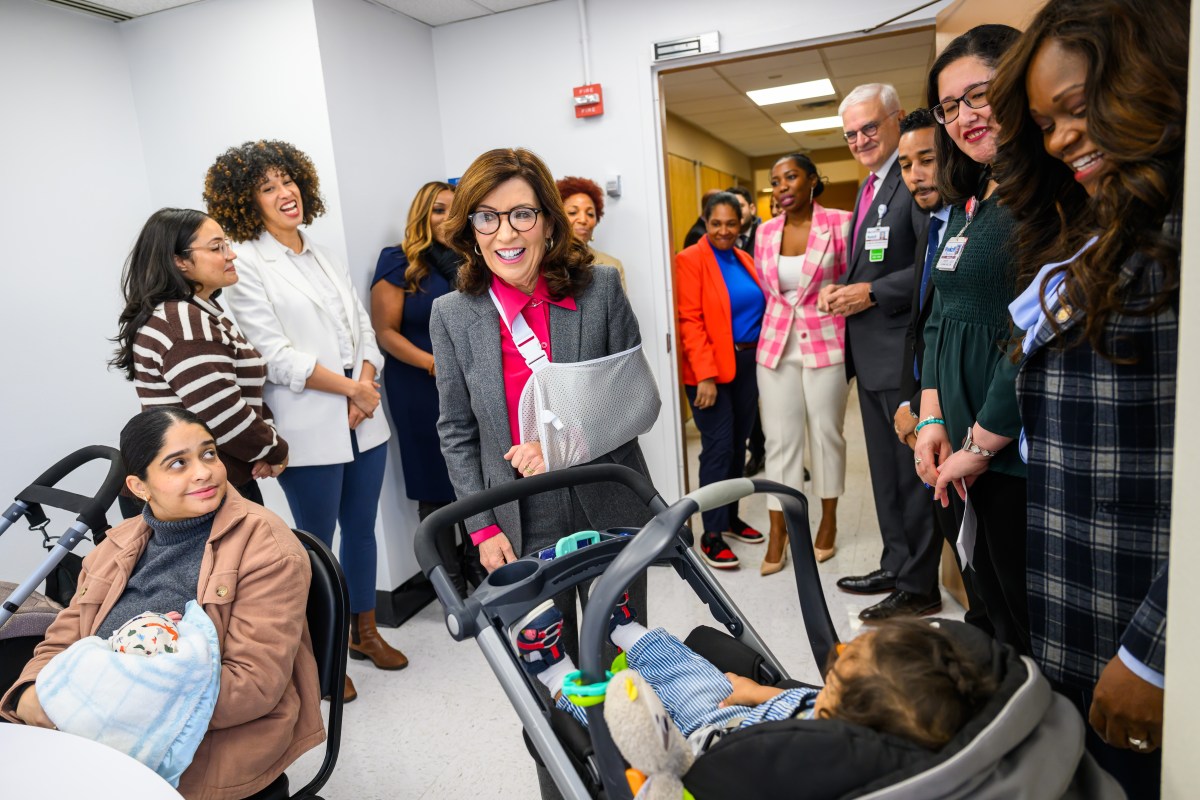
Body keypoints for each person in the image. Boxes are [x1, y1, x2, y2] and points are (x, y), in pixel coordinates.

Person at [990, 0, 1185, 793]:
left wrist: (1156, 652)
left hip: (1144, 626)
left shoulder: (1179, 239)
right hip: (1079, 601)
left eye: (1077, 109)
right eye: (1045, 123)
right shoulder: (1102, 229)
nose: (1063, 138)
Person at [431, 147, 654, 800]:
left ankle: (636, 783)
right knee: (546, 680)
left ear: (550, 223)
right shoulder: (454, 315)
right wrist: (478, 527)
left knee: (624, 666)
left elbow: (635, 402)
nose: (506, 233)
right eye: (487, 218)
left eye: (522, 214)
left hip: (608, 506)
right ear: (470, 230)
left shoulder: (599, 291)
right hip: (516, 526)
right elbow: (456, 430)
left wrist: (566, 442)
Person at [1, 408, 323, 800]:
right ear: (139, 487)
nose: (204, 471)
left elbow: (255, 685)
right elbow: (60, 642)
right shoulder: (116, 545)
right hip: (94, 731)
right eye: (178, 463)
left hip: (202, 749)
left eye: (208, 454)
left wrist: (102, 711)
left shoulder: (266, 548)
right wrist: (28, 693)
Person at [205, 140, 405, 704]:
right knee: (316, 544)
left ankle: (365, 632)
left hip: (361, 412)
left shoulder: (323, 254)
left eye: (287, 180)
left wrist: (364, 386)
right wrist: (351, 389)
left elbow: (364, 329)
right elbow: (273, 354)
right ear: (248, 203)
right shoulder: (245, 265)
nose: (283, 192)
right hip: (310, 418)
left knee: (361, 530)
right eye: (266, 187)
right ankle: (326, 651)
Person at [515, 599, 995, 752]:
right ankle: (630, 634)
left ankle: (557, 675)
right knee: (694, 671)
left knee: (626, 715)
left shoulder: (818, 754)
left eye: (850, 658)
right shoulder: (852, 716)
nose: (842, 649)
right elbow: (808, 699)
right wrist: (758, 691)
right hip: (747, 708)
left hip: (702, 741)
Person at [912, 26, 1029, 654]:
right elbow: (939, 315)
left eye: (978, 95)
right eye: (949, 106)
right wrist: (931, 416)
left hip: (1006, 449)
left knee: (1022, 610)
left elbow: (1029, 334)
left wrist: (982, 445)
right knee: (984, 598)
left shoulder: (1040, 198)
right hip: (953, 444)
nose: (964, 116)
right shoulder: (968, 202)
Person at [819, 84, 939, 615]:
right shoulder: (872, 186)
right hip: (869, 353)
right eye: (851, 134)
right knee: (885, 471)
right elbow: (874, 261)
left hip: (898, 350)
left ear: (894, 119)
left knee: (909, 472)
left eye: (870, 127)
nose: (861, 139)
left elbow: (929, 265)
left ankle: (918, 586)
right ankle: (896, 563)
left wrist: (871, 291)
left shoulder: (911, 178)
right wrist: (845, 287)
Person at [888, 110, 994, 631]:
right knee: (963, 545)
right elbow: (926, 324)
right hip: (935, 413)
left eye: (927, 159)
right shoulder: (938, 222)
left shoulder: (982, 221)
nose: (916, 174)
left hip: (982, 421)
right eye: (905, 164)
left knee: (993, 565)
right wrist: (917, 404)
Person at [110, 208, 289, 518]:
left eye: (227, 244)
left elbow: (235, 395)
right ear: (180, 261)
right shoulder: (185, 324)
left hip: (199, 484)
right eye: (217, 247)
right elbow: (222, 415)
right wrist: (274, 449)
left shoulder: (196, 313)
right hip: (192, 492)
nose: (231, 255)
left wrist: (263, 442)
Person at [371, 181, 485, 596]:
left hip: (470, 384)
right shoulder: (399, 261)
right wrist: (434, 363)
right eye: (438, 210)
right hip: (419, 386)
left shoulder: (472, 258)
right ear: (421, 214)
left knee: (475, 476)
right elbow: (385, 332)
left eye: (454, 211)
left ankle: (480, 570)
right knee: (436, 485)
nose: (446, 219)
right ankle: (449, 585)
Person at [753, 154, 852, 574]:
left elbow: (852, 278)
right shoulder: (765, 231)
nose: (782, 187)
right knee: (780, 441)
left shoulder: (842, 223)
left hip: (826, 342)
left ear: (813, 180)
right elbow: (769, 290)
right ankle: (781, 529)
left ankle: (828, 519)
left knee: (827, 435)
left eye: (790, 177)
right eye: (775, 182)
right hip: (776, 346)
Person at [675, 192, 768, 569]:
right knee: (716, 448)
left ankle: (729, 517)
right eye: (716, 224)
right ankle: (710, 533)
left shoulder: (745, 258)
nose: (724, 231)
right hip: (710, 371)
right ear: (705, 222)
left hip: (747, 365)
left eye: (731, 223)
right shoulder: (691, 259)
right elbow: (690, 322)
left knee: (737, 446)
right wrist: (705, 377)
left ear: (740, 224)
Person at [556, 175, 626, 290]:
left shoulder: (612, 265)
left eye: (590, 214)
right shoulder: (544, 261)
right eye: (573, 212)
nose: (583, 220)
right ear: (557, 217)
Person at [726, 185, 761, 256]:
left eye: (740, 206)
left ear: (752, 209)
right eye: (731, 207)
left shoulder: (764, 236)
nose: (737, 211)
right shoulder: (722, 238)